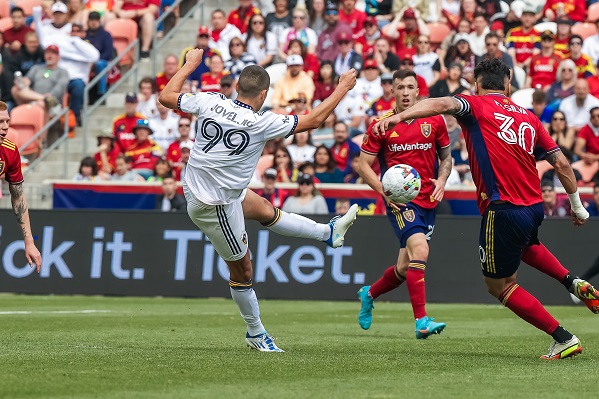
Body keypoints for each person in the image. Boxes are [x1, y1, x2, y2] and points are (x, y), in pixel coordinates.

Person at [371, 57, 599, 359]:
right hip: (533, 207)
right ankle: (573, 282)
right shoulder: (529, 117)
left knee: (499, 286)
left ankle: (563, 337)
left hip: (502, 208)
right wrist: (577, 206)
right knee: (526, 245)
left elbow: (439, 105)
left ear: (477, 84)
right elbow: (561, 163)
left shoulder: (475, 105)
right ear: (507, 84)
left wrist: (400, 117)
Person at [159, 48, 359, 352]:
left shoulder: (210, 100)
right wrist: (342, 86)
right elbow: (315, 120)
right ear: (263, 93)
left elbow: (166, 96)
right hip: (215, 205)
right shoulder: (260, 122)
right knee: (243, 271)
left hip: (212, 188)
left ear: (238, 87)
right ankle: (255, 332)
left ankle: (328, 233)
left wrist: (189, 65)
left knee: (266, 210)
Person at [357, 68, 452, 338]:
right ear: (392, 91)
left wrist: (443, 179)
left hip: (428, 200)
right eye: (400, 88)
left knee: (403, 268)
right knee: (420, 251)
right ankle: (421, 321)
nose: (406, 92)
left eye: (410, 87)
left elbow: (446, 158)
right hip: (400, 202)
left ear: (418, 90)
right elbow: (363, 165)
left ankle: (369, 293)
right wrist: (383, 192)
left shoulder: (434, 120)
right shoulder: (382, 124)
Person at [0, 101, 42, 272]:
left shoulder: (9, 151)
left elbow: (18, 196)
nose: (5, 127)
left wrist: (29, 242)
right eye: (0, 122)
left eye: (7, 121)